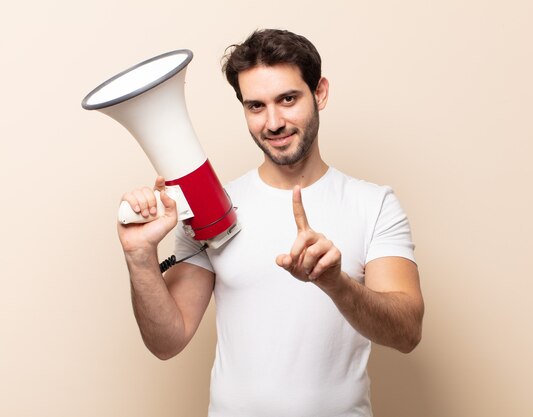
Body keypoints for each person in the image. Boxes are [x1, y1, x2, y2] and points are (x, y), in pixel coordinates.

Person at [118, 29, 424, 417]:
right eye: (256, 106)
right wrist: (140, 256)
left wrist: (336, 283)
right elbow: (167, 341)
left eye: (288, 99)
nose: (274, 122)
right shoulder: (212, 210)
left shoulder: (374, 204)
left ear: (320, 93)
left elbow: (408, 333)